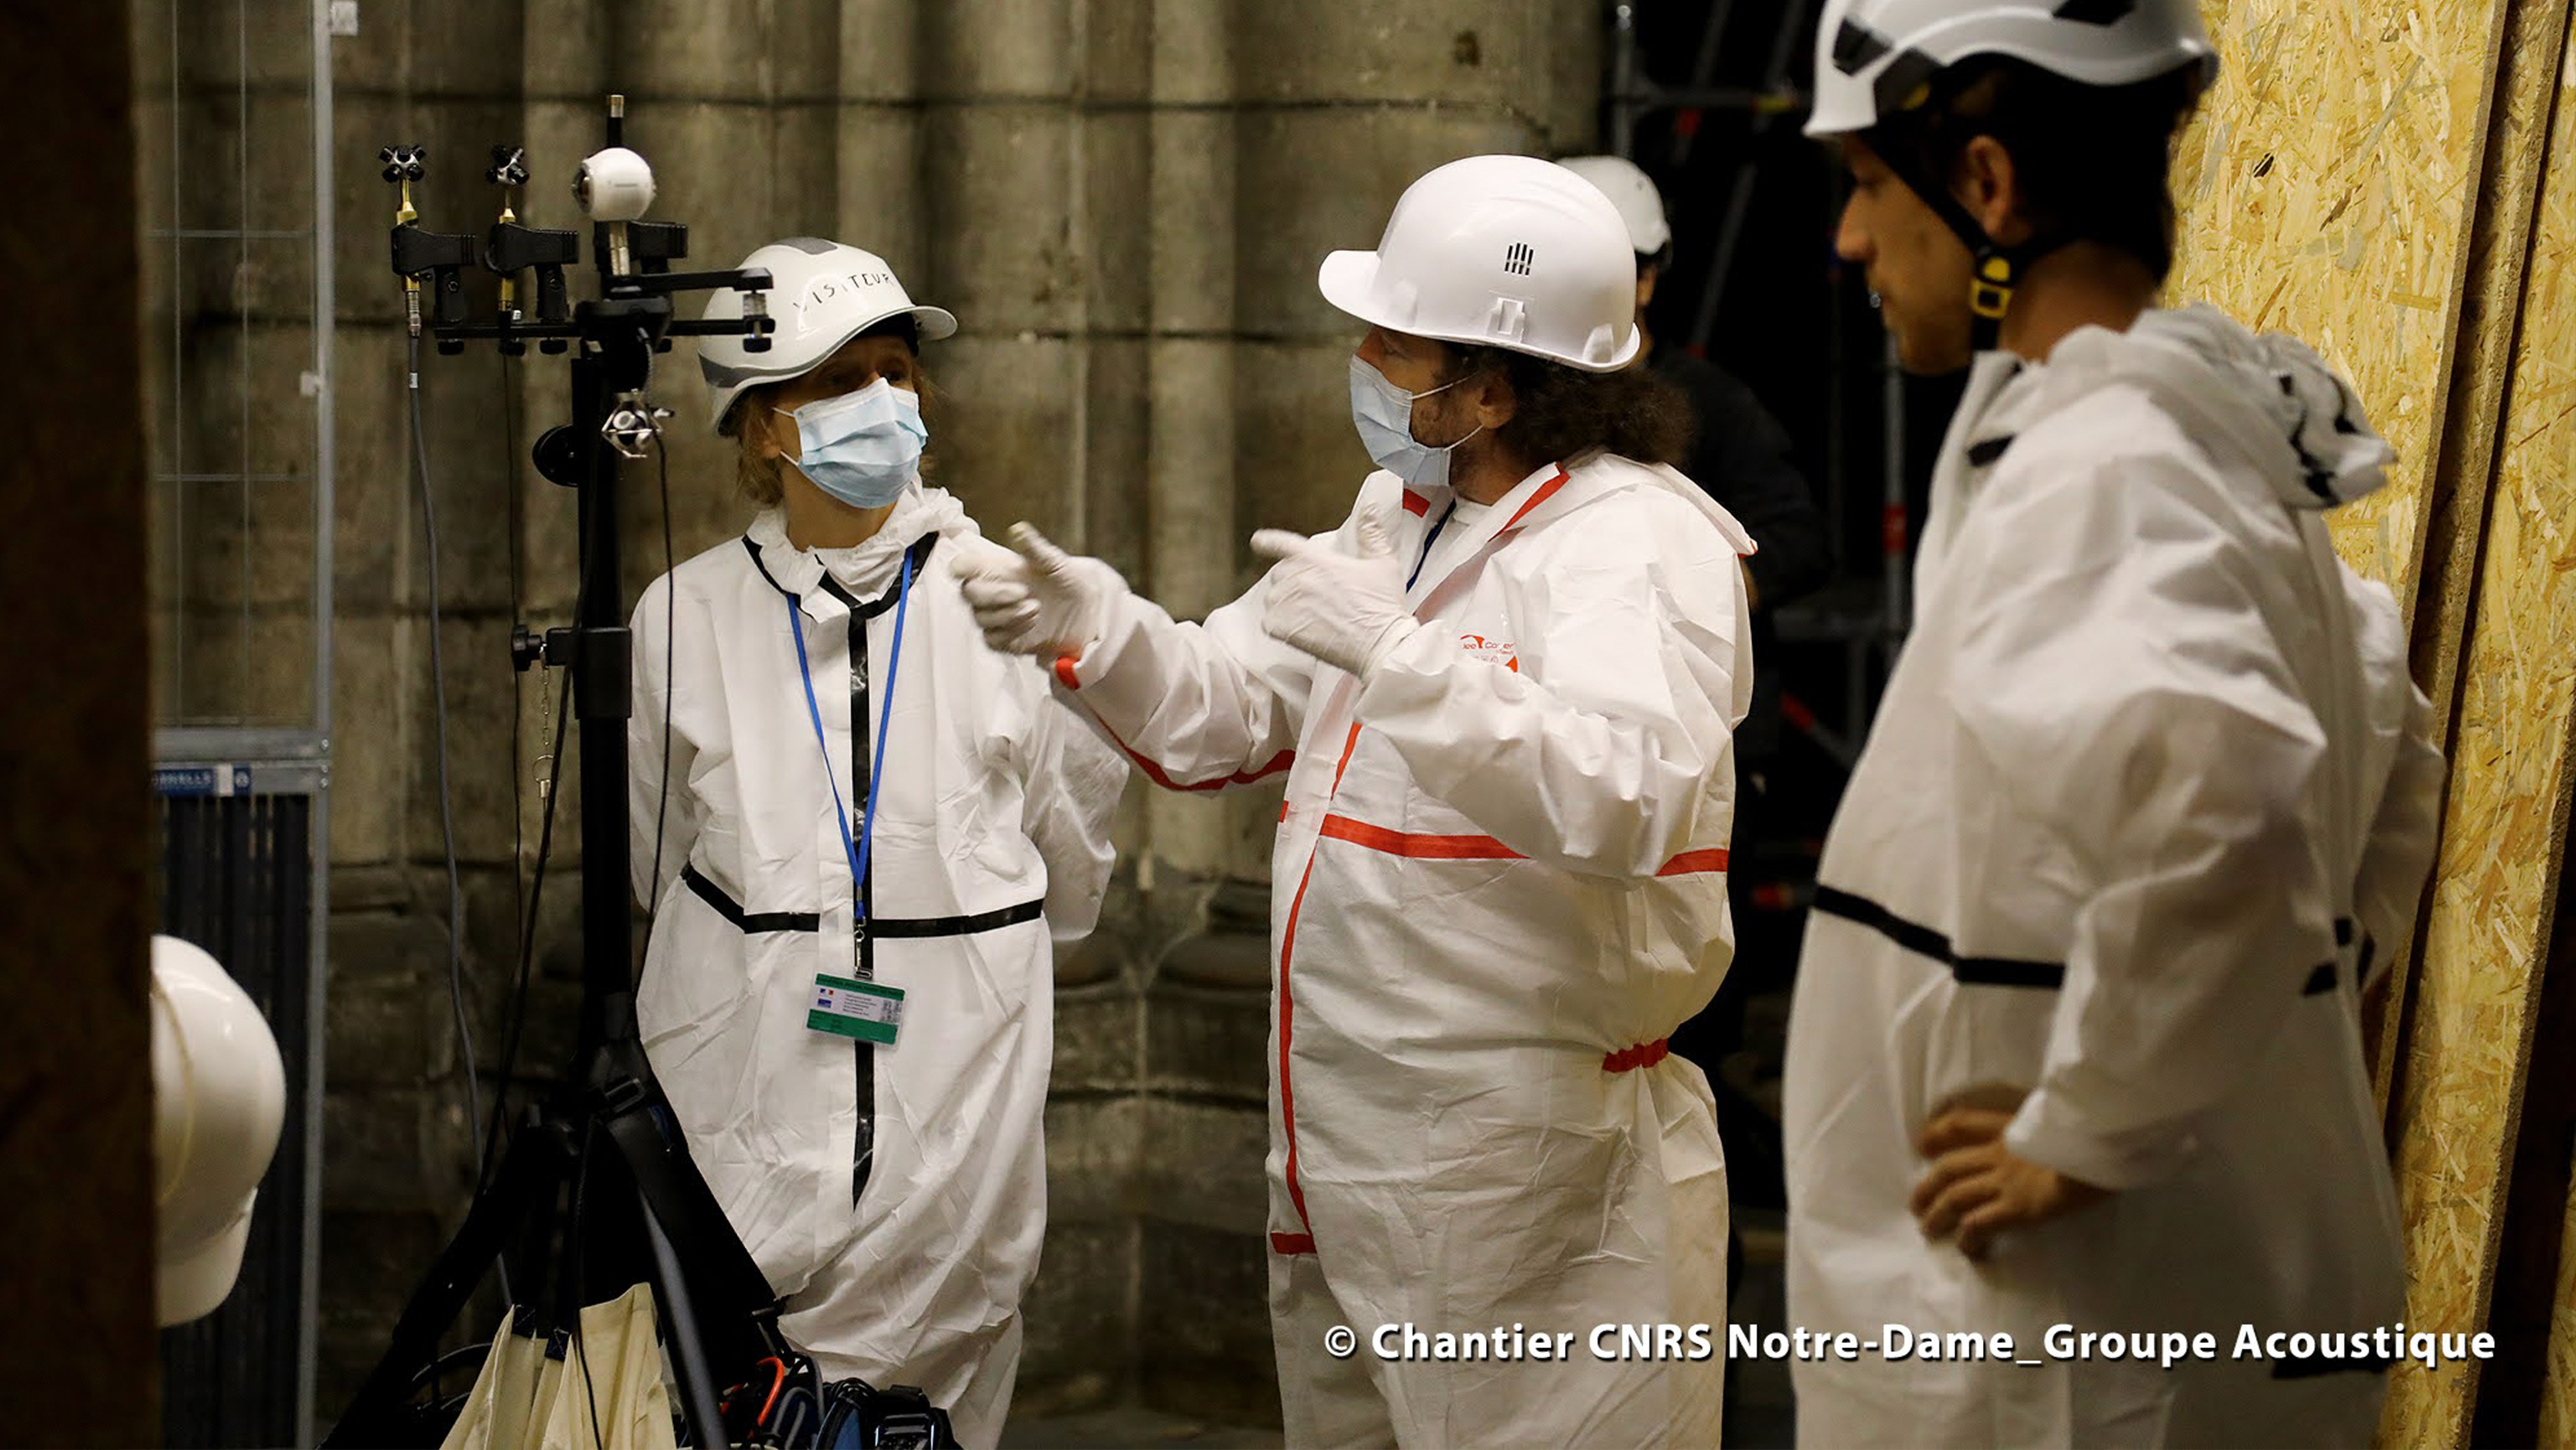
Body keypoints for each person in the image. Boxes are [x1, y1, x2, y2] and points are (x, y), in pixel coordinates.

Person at [955, 155, 1751, 1447]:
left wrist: (1397, 656)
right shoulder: (1402, 510)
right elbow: (1224, 710)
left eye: (1389, 339)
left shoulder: (1636, 541)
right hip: (1353, 1147)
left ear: (1489, 385)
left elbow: (1628, 795)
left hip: (1530, 1174)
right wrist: (1093, 627)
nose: (1362, 360)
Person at [1780, 2, 2447, 1445]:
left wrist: (2085, 1133)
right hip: (2135, 1298)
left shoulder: (2107, 465)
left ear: (1982, 185)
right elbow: (2386, 763)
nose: (1846, 243)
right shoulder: (2181, 440)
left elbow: (2230, 805)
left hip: (2075, 1337)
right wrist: (2267, 1017)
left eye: (1863, 187)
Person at [627, 238, 1127, 1446]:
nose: (882, 405)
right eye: (836, 383)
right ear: (761, 429)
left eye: (896, 372)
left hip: (956, 1101)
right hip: (742, 1099)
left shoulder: (1001, 598)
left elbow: (1075, 857)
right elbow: (653, 854)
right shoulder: (683, 615)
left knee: (930, 1416)